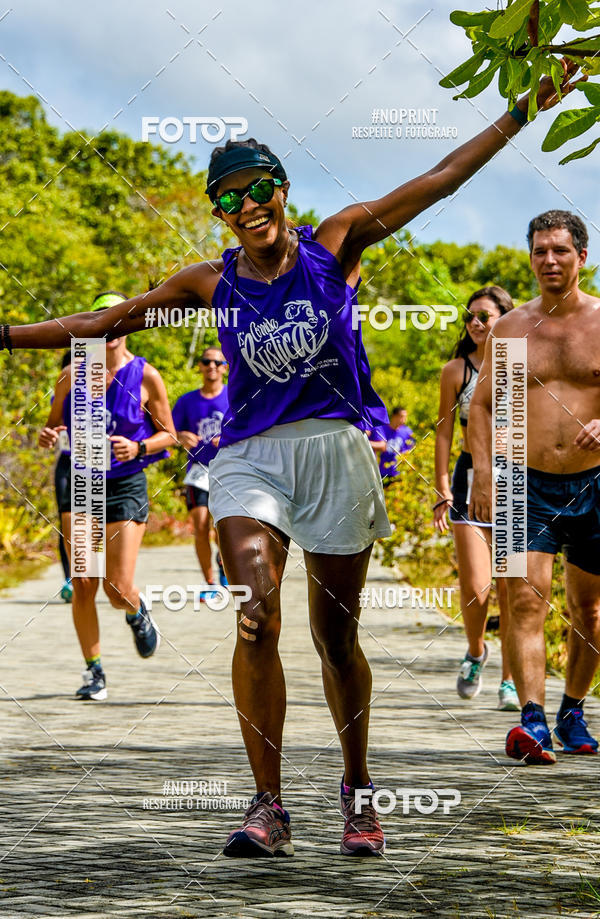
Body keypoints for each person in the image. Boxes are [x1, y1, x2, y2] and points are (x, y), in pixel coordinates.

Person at [5, 67, 580, 852]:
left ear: (282, 189)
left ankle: (358, 789)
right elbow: (112, 317)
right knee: (257, 608)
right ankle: (267, 803)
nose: (244, 207)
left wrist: (520, 112)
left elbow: (440, 179)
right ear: (218, 211)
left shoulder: (336, 242)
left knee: (337, 639)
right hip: (250, 458)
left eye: (255, 188)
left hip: (335, 451)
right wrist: (6, 335)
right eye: (227, 198)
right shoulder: (211, 283)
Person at [469, 211, 600, 764]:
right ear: (530, 258)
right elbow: (484, 406)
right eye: (541, 251)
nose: (550, 260)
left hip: (595, 482)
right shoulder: (515, 328)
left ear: (582, 257)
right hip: (524, 479)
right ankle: (532, 720)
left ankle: (572, 709)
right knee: (525, 600)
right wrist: (484, 471)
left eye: (561, 251)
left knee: (588, 609)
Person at [39, 291, 175, 700]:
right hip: (82, 482)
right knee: (83, 582)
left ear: (130, 325)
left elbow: (168, 434)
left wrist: (139, 447)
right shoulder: (70, 376)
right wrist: (50, 435)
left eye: (118, 318)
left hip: (126, 482)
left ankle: (138, 610)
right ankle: (94, 671)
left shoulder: (147, 376)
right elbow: (52, 428)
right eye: (101, 318)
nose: (110, 325)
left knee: (116, 588)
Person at [434, 287, 518, 712]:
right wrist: (442, 485)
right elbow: (445, 431)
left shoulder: (521, 364)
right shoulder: (456, 371)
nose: (476, 323)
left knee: (512, 585)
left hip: (516, 477)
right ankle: (475, 651)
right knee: (476, 585)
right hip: (469, 474)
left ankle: (510, 677)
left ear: (506, 317)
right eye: (470, 317)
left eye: (485, 315)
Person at [172, 345, 229, 598]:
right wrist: (180, 436)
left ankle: (225, 565)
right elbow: (167, 432)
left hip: (229, 470)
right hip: (198, 471)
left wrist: (227, 437)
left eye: (217, 363)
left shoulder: (234, 397)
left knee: (222, 528)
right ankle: (210, 583)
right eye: (206, 362)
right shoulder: (186, 401)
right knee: (201, 524)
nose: (211, 367)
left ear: (225, 368)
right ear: (200, 366)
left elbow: (251, 430)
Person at [39, 350, 73, 601]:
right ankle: (70, 578)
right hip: (67, 460)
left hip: (100, 463)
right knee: (66, 521)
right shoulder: (60, 392)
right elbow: (52, 426)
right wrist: (49, 434)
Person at [369, 406, 415, 488]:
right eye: (402, 417)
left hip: (399, 473)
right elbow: (380, 446)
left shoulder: (407, 432)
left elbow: (412, 450)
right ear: (394, 416)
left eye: (405, 417)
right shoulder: (382, 429)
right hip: (383, 471)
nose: (404, 419)